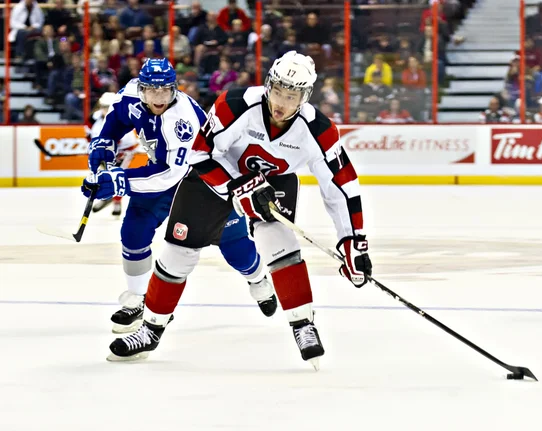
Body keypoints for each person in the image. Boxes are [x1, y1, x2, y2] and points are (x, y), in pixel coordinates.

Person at [107, 52, 373, 369]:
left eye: (292, 95)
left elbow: (342, 186)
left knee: (281, 242)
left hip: (274, 182)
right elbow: (200, 155)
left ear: (305, 96)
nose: (281, 103)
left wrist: (353, 240)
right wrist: (235, 188)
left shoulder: (319, 130)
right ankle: (150, 330)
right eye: (278, 91)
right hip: (215, 176)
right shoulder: (235, 104)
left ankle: (303, 324)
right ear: (268, 85)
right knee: (179, 251)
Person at [81, 58, 276, 334]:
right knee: (134, 228)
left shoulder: (182, 120)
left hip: (203, 181)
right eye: (153, 90)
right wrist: (104, 141)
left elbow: (169, 175)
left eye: (166, 90)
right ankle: (138, 299)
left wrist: (120, 181)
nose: (159, 97)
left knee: (235, 247)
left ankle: (258, 281)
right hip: (161, 177)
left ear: (174, 88)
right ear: (142, 88)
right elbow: (115, 119)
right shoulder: (130, 93)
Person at [89, 92, 140, 217]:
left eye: (108, 107)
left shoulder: (120, 119)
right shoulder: (97, 119)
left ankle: (116, 202)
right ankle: (109, 196)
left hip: (124, 152)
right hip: (109, 153)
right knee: (106, 176)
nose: (104, 110)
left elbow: (124, 141)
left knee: (118, 176)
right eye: (103, 106)